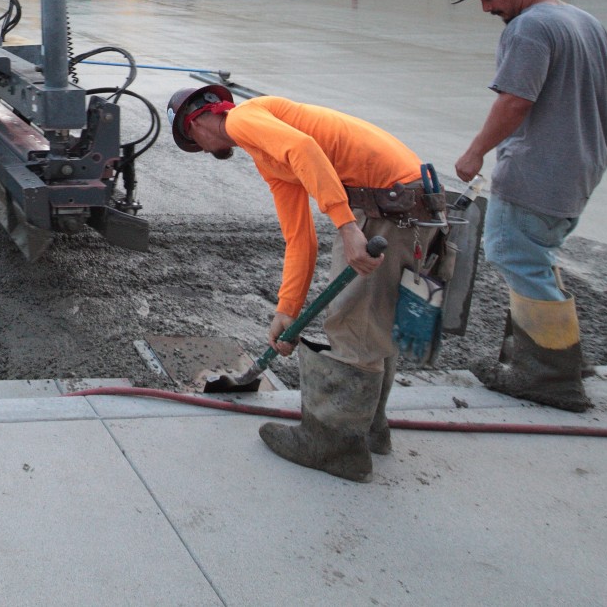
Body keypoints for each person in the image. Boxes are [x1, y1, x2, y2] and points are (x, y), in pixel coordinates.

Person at [168, 85, 438, 482]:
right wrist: (286, 311)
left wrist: (346, 227)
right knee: (372, 318)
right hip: (404, 202)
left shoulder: (243, 119)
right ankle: (369, 430)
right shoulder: (269, 154)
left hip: (387, 205)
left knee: (352, 324)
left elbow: (307, 150)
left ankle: (334, 446)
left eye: (195, 142)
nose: (205, 151)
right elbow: (300, 238)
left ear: (199, 121)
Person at [451, 0, 607, 412]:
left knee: (515, 254)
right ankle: (562, 357)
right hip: (582, 162)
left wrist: (475, 152)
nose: (486, 8)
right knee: (538, 255)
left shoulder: (530, 27)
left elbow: (515, 100)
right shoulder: (585, 21)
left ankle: (548, 378)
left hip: (541, 166)